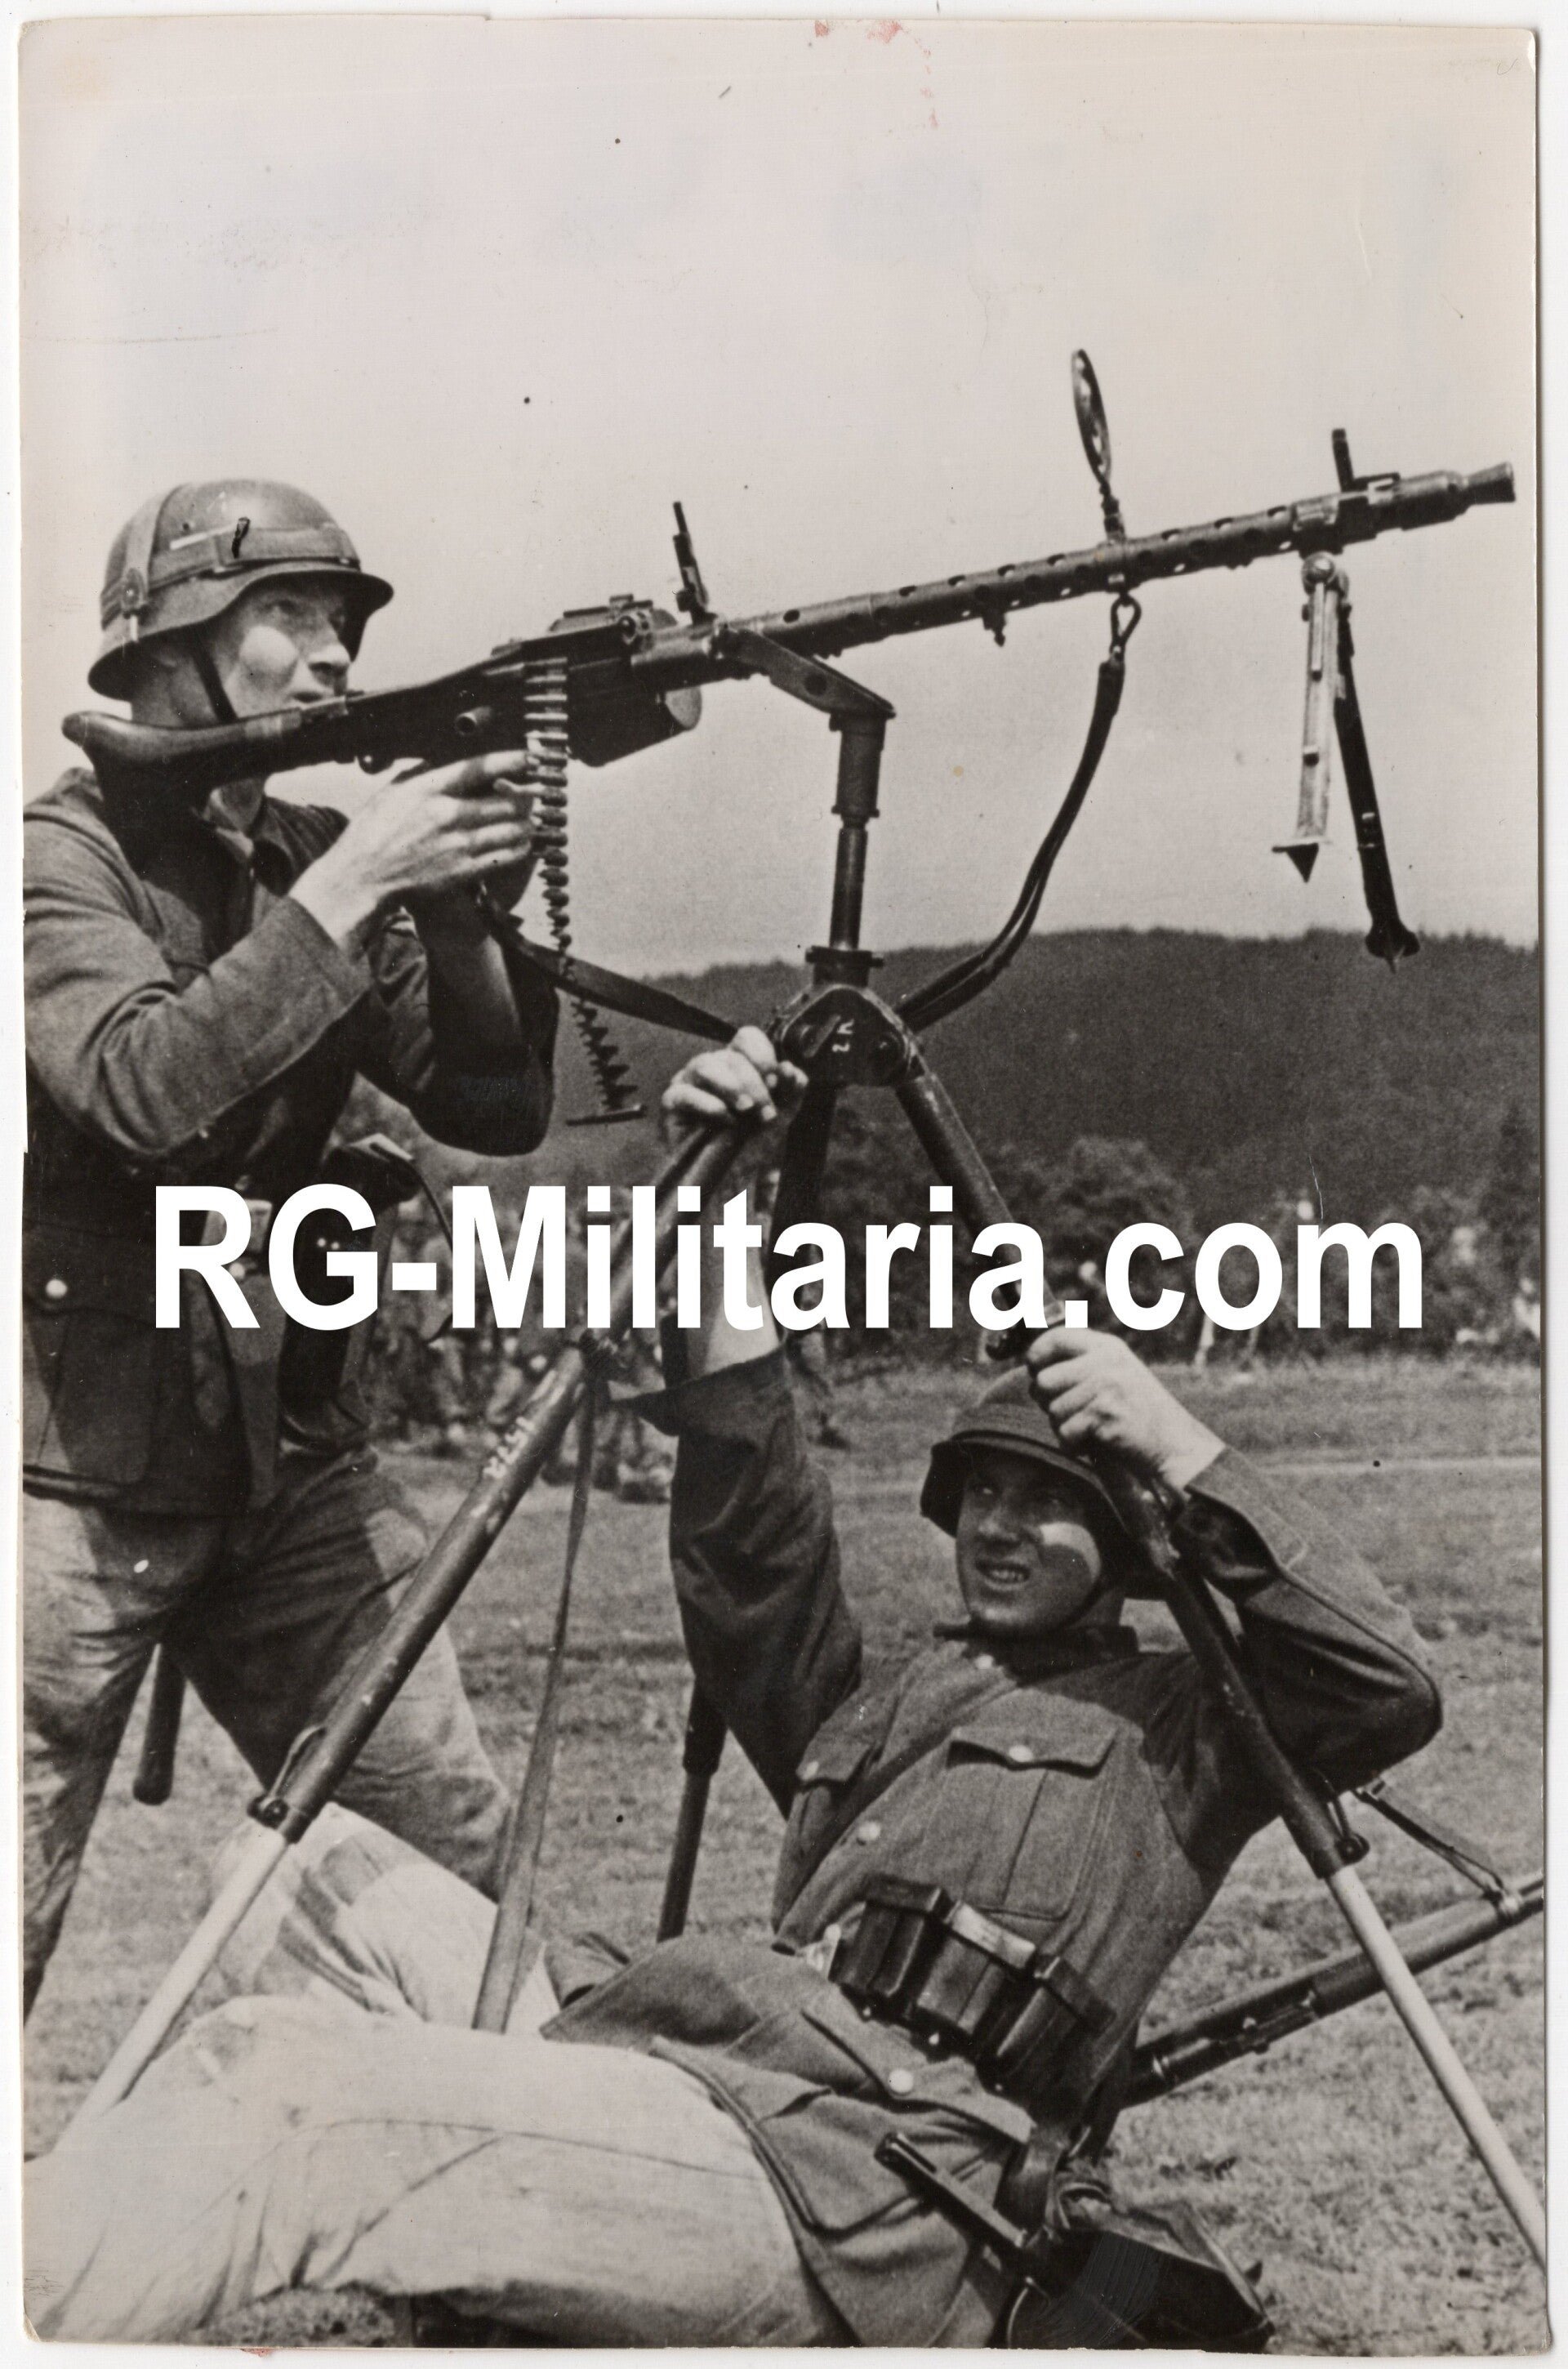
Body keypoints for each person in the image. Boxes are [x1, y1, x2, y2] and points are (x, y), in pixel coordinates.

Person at [24, 1029, 1441, 2346]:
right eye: (982, 1496)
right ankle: (460, 2232)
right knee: (289, 1866)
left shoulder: (1190, 1724)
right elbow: (754, 1522)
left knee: (297, 2092)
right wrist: (707, 1209)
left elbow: (1382, 1683)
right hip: (697, 2057)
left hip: (862, 2192)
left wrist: (1178, 1442)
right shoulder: (891, 1699)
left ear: (1129, 1541)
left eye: (1050, 1503)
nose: (1001, 1529)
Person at [23, 480, 559, 2012]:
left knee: (455, 1859)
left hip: (290, 1464)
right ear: (175, 647)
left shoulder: (306, 848)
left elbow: (495, 1104)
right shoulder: (60, 861)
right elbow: (143, 1092)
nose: (334, 659)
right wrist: (360, 880)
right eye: (290, 619)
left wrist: (458, 920)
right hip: (78, 1473)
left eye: (343, 626)